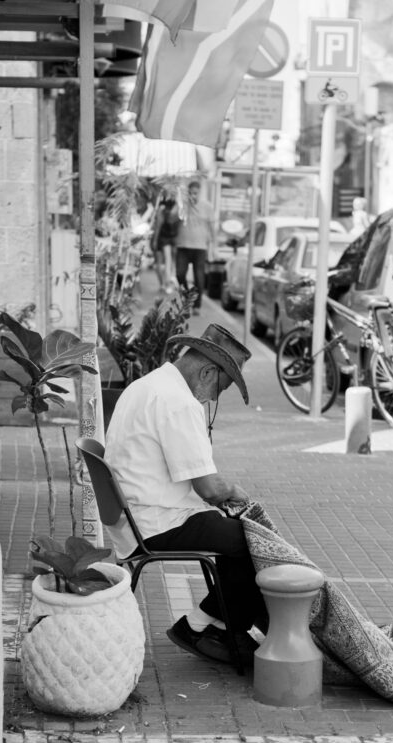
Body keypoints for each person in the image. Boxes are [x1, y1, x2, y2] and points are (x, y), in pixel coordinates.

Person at [104, 323, 266, 665]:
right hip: (156, 521)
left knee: (234, 536)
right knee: (255, 542)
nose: (211, 399)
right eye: (219, 389)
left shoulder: (145, 386)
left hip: (135, 515)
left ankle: (211, 624)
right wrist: (236, 492)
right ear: (208, 370)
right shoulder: (178, 402)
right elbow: (208, 488)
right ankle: (212, 629)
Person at [175, 180, 215, 314]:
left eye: (195, 193)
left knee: (199, 277)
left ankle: (197, 305)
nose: (193, 196)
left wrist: (212, 248)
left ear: (200, 193)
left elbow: (212, 228)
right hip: (183, 245)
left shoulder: (207, 207)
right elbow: (172, 218)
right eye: (190, 193)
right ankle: (187, 299)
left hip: (200, 247)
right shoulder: (182, 206)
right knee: (180, 274)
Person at [152, 197, 180, 293]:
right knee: (169, 261)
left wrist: (155, 240)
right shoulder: (177, 209)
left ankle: (166, 283)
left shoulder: (163, 209)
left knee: (166, 261)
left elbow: (158, 226)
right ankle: (167, 283)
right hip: (170, 238)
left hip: (165, 238)